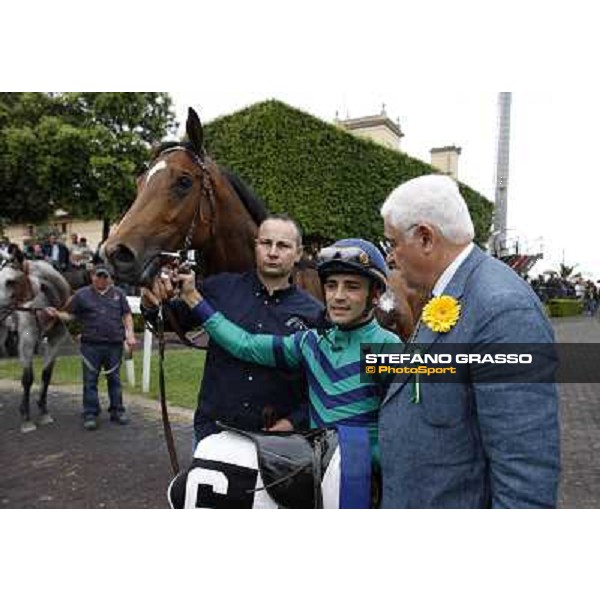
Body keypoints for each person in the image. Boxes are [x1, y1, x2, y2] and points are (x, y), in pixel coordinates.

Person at [157, 238, 401, 487]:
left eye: (352, 287)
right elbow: (245, 344)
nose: (338, 296)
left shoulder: (385, 348)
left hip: (367, 486)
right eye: (331, 285)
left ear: (375, 295)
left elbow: (421, 424)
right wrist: (192, 297)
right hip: (317, 481)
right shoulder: (311, 344)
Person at [379, 174, 560, 508]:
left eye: (393, 242)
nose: (391, 257)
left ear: (425, 238)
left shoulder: (502, 310)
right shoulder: (452, 292)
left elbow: (525, 470)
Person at [142, 215, 325, 446]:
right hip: (213, 431)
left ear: (299, 253)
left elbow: (323, 387)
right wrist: (151, 299)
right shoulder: (220, 288)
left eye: (283, 245)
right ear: (255, 245)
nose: (273, 252)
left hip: (276, 442)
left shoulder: (316, 314)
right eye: (266, 243)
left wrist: (293, 422)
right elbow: (168, 320)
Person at [47, 264, 137, 430]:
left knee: (115, 380)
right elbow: (70, 315)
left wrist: (130, 334)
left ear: (109, 277)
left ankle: (117, 410)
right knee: (90, 381)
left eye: (105, 276)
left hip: (114, 344)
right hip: (91, 345)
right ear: (92, 276)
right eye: (98, 276)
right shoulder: (82, 295)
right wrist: (57, 314)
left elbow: (126, 315)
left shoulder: (118, 294)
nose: (102, 279)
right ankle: (90, 413)